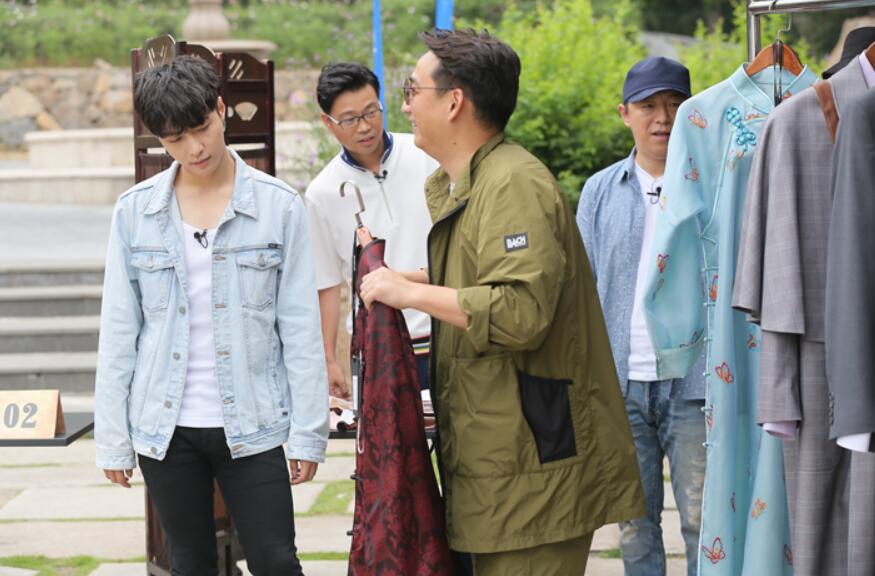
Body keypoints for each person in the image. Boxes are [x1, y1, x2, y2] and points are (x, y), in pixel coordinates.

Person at [360, 28, 644, 574]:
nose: (406, 105)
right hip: (502, 469)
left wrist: (410, 292)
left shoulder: (513, 183)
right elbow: (486, 274)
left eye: (412, 89)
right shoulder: (479, 179)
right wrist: (408, 278)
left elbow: (519, 311)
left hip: (535, 471)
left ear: (454, 101)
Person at [93, 55, 328, 575]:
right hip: (165, 425)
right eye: (175, 139)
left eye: (201, 128)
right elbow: (119, 330)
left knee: (276, 561)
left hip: (254, 419)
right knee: (190, 563)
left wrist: (309, 431)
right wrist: (112, 440)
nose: (194, 148)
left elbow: (300, 328)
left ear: (222, 110)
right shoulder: (135, 212)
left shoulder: (278, 206)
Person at [576, 57, 706, 576]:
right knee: (633, 524)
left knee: (702, 519)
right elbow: (581, 288)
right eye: (648, 105)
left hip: (695, 382)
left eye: (675, 104)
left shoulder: (710, 185)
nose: (663, 117)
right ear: (624, 113)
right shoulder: (599, 191)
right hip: (621, 383)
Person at [305, 62, 437, 399]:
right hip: (378, 347)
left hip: (443, 331)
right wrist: (328, 358)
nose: (364, 127)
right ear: (328, 123)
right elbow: (327, 282)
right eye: (349, 120)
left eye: (371, 112)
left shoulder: (427, 154)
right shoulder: (322, 192)